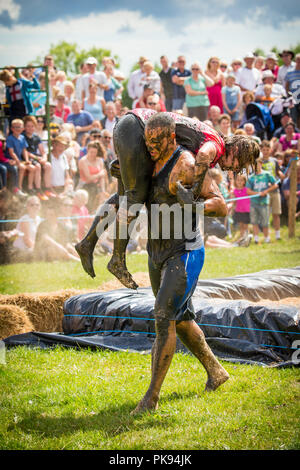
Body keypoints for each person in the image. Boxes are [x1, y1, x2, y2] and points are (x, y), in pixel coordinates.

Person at [75, 109, 260, 289]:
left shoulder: (213, 136)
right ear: (236, 150)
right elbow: (203, 155)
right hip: (138, 126)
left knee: (124, 196)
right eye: (239, 165)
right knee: (134, 197)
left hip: (131, 123)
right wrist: (195, 191)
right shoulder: (217, 145)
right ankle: (117, 259)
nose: (234, 170)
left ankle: (88, 243)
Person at [131, 112, 229, 414]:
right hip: (156, 252)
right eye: (147, 142)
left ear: (171, 137)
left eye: (156, 142)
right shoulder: (150, 159)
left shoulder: (185, 164)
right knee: (181, 319)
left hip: (184, 252)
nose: (150, 147)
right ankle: (216, 372)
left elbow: (221, 205)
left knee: (163, 317)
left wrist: (195, 203)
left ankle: (151, 397)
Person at [246, 156, 278, 244]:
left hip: (264, 202)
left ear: (261, 164)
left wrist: (266, 191)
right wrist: (257, 193)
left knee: (265, 222)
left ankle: (267, 238)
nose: (256, 166)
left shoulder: (267, 174)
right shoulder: (251, 178)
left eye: (258, 164)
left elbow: (275, 185)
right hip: (254, 203)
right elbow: (248, 191)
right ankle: (256, 239)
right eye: (254, 165)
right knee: (254, 221)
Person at [260, 140, 285, 240]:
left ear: (270, 150)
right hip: (264, 191)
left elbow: (278, 171)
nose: (265, 151)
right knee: (265, 215)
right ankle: (267, 236)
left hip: (275, 191)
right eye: (263, 150)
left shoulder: (274, 161)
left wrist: (280, 174)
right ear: (261, 150)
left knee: (276, 213)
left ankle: (278, 235)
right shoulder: (259, 161)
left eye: (267, 149)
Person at [5, 118, 35, 196]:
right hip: (12, 160)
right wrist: (18, 162)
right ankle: (19, 188)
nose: (17, 129)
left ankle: (30, 187)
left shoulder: (22, 137)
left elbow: (24, 150)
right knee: (22, 167)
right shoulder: (10, 138)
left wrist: (27, 160)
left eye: (19, 127)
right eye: (15, 127)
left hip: (20, 160)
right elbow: (11, 153)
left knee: (32, 168)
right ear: (12, 129)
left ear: (23, 128)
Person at [13, 195, 41, 260]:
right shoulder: (25, 219)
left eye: (37, 205)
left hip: (32, 248)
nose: (35, 206)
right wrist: (38, 249)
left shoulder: (39, 219)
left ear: (40, 206)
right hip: (21, 250)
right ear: (27, 207)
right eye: (32, 205)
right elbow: (26, 240)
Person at [231, 173, 250, 241]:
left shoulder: (246, 189)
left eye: (241, 180)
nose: (239, 181)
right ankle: (242, 238)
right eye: (238, 180)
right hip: (238, 210)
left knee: (245, 226)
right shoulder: (235, 191)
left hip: (246, 210)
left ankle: (247, 237)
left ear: (244, 182)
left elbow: (253, 193)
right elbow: (233, 200)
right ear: (235, 181)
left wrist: (260, 193)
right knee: (241, 226)